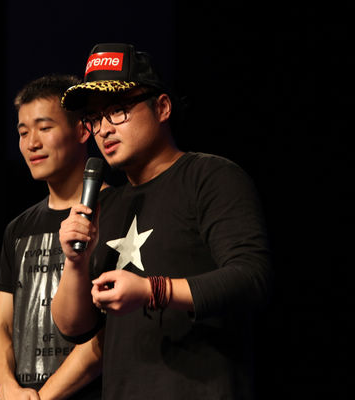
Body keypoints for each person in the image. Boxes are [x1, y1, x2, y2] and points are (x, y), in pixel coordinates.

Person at [51, 43, 273, 399]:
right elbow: (74, 329)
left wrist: (152, 290)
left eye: (118, 110)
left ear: (163, 107)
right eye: (95, 118)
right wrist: (75, 262)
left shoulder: (209, 176)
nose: (103, 129)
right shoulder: (106, 204)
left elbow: (252, 278)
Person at [0, 74, 104, 400]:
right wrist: (6, 386)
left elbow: (108, 333)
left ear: (83, 130)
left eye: (45, 128)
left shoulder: (117, 211)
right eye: (23, 132)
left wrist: (46, 395)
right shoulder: (19, 228)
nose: (31, 143)